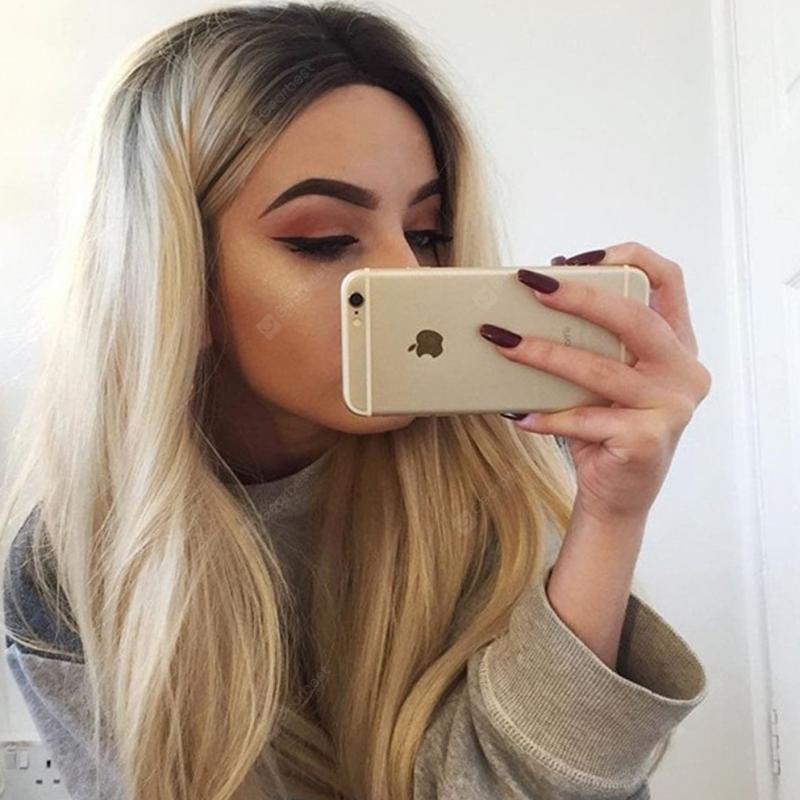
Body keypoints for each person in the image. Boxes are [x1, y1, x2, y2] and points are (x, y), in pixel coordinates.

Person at [1, 3, 711, 799]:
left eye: (428, 233)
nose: (407, 276)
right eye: (324, 239)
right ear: (173, 278)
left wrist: (611, 518)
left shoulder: (502, 480)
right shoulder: (70, 570)